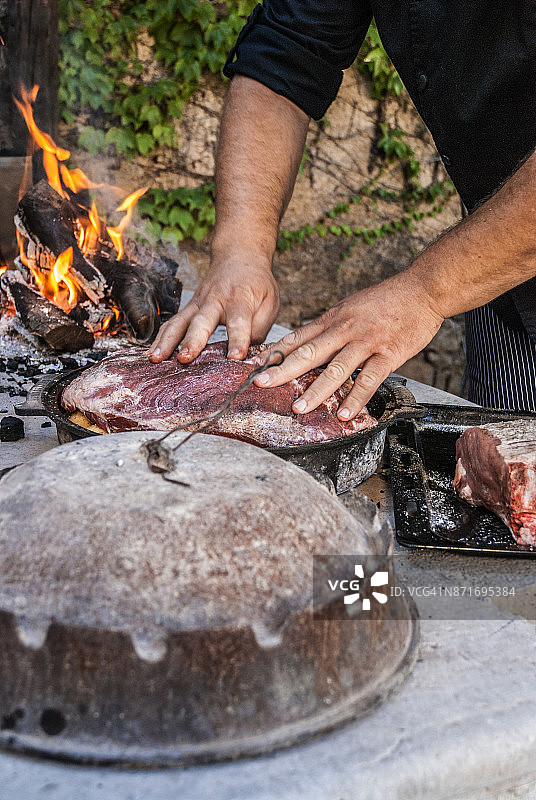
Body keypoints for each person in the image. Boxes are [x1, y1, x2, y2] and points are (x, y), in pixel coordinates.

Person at [149, 1, 536, 414]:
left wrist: (426, 291)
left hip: (496, 250)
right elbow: (290, 45)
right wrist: (241, 250)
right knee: (499, 457)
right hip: (497, 269)